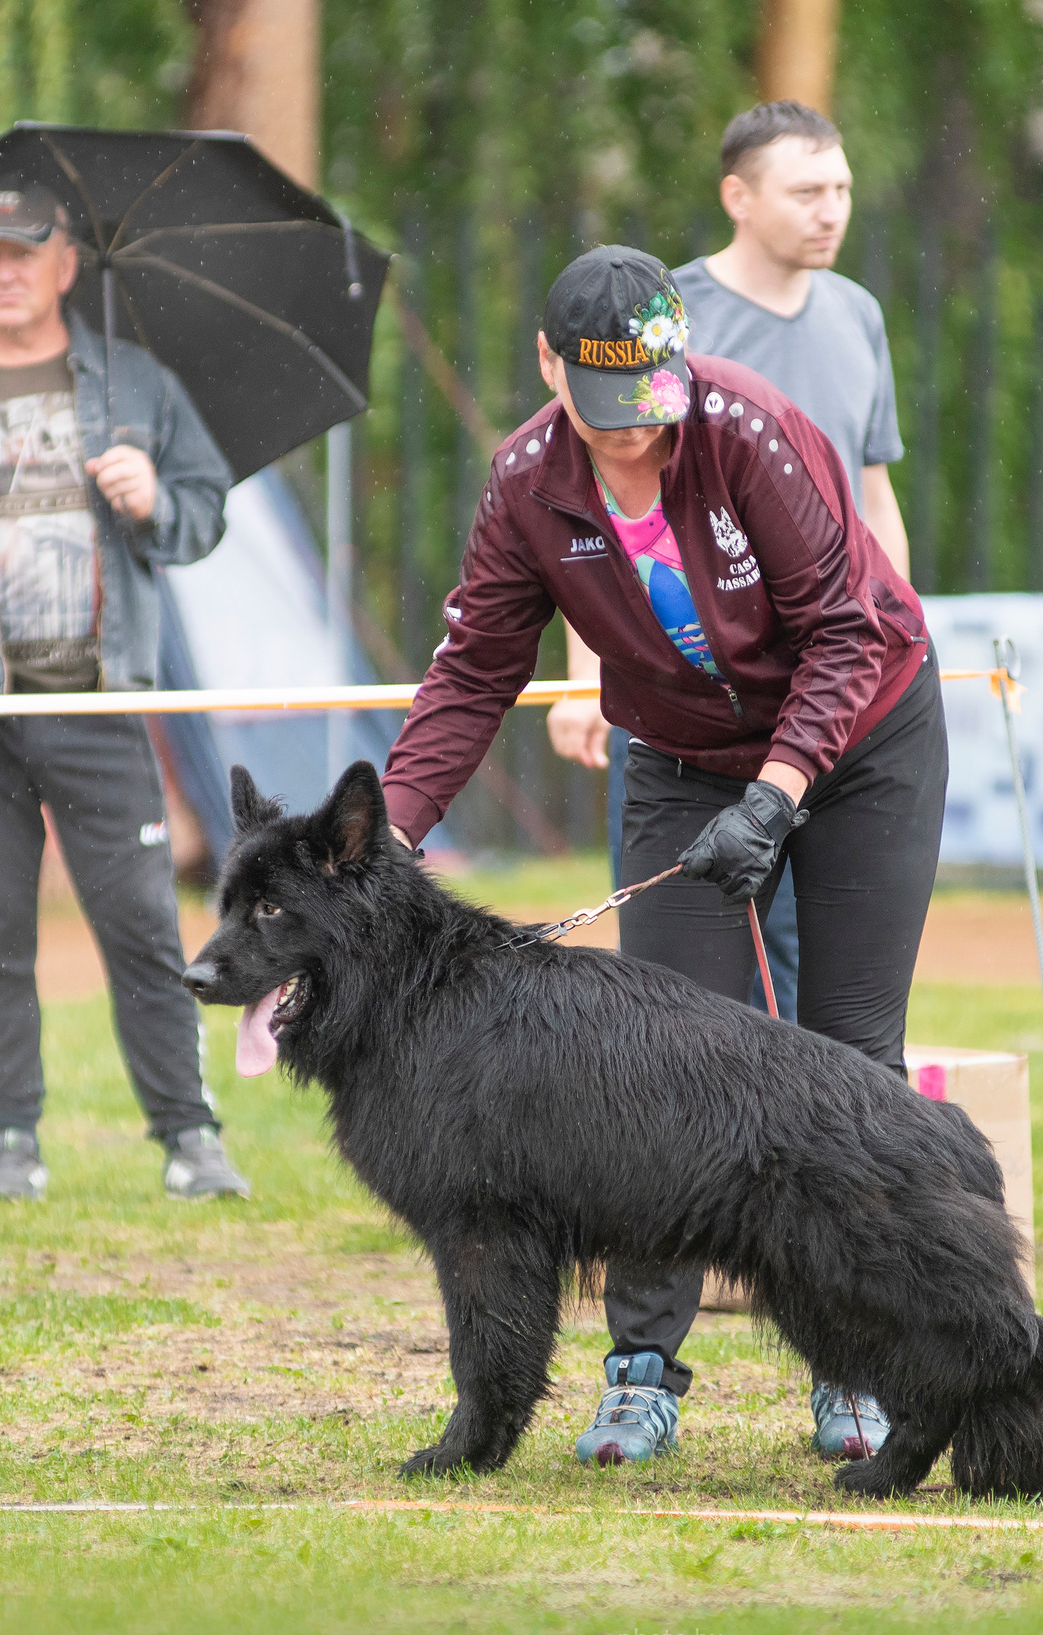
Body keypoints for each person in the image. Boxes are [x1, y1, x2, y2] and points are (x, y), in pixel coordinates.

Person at [384, 246, 943, 1468]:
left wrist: (779, 794)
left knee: (850, 1051)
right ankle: (642, 1373)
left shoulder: (751, 432)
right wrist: (387, 830)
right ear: (548, 365)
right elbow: (475, 669)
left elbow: (846, 629)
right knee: (655, 1069)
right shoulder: (526, 483)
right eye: (607, 408)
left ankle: (856, 1365)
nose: (636, 433)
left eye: (652, 400)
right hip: (685, 756)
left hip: (860, 740)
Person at [0, 180, 249, 1204]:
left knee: (143, 927)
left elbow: (204, 512)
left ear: (66, 264)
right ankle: (11, 1139)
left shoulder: (138, 384)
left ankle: (190, 1136)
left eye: (25, 252)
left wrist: (156, 500)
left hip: (99, 703)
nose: (5, 271)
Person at [546, 100, 911, 1032]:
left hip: (827, 677)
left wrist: (898, 640)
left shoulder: (858, 314)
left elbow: (874, 499)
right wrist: (586, 678)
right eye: (806, 191)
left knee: (814, 975)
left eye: (841, 189)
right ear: (738, 198)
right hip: (691, 691)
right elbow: (594, 499)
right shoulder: (662, 313)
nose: (831, 210)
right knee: (692, 984)